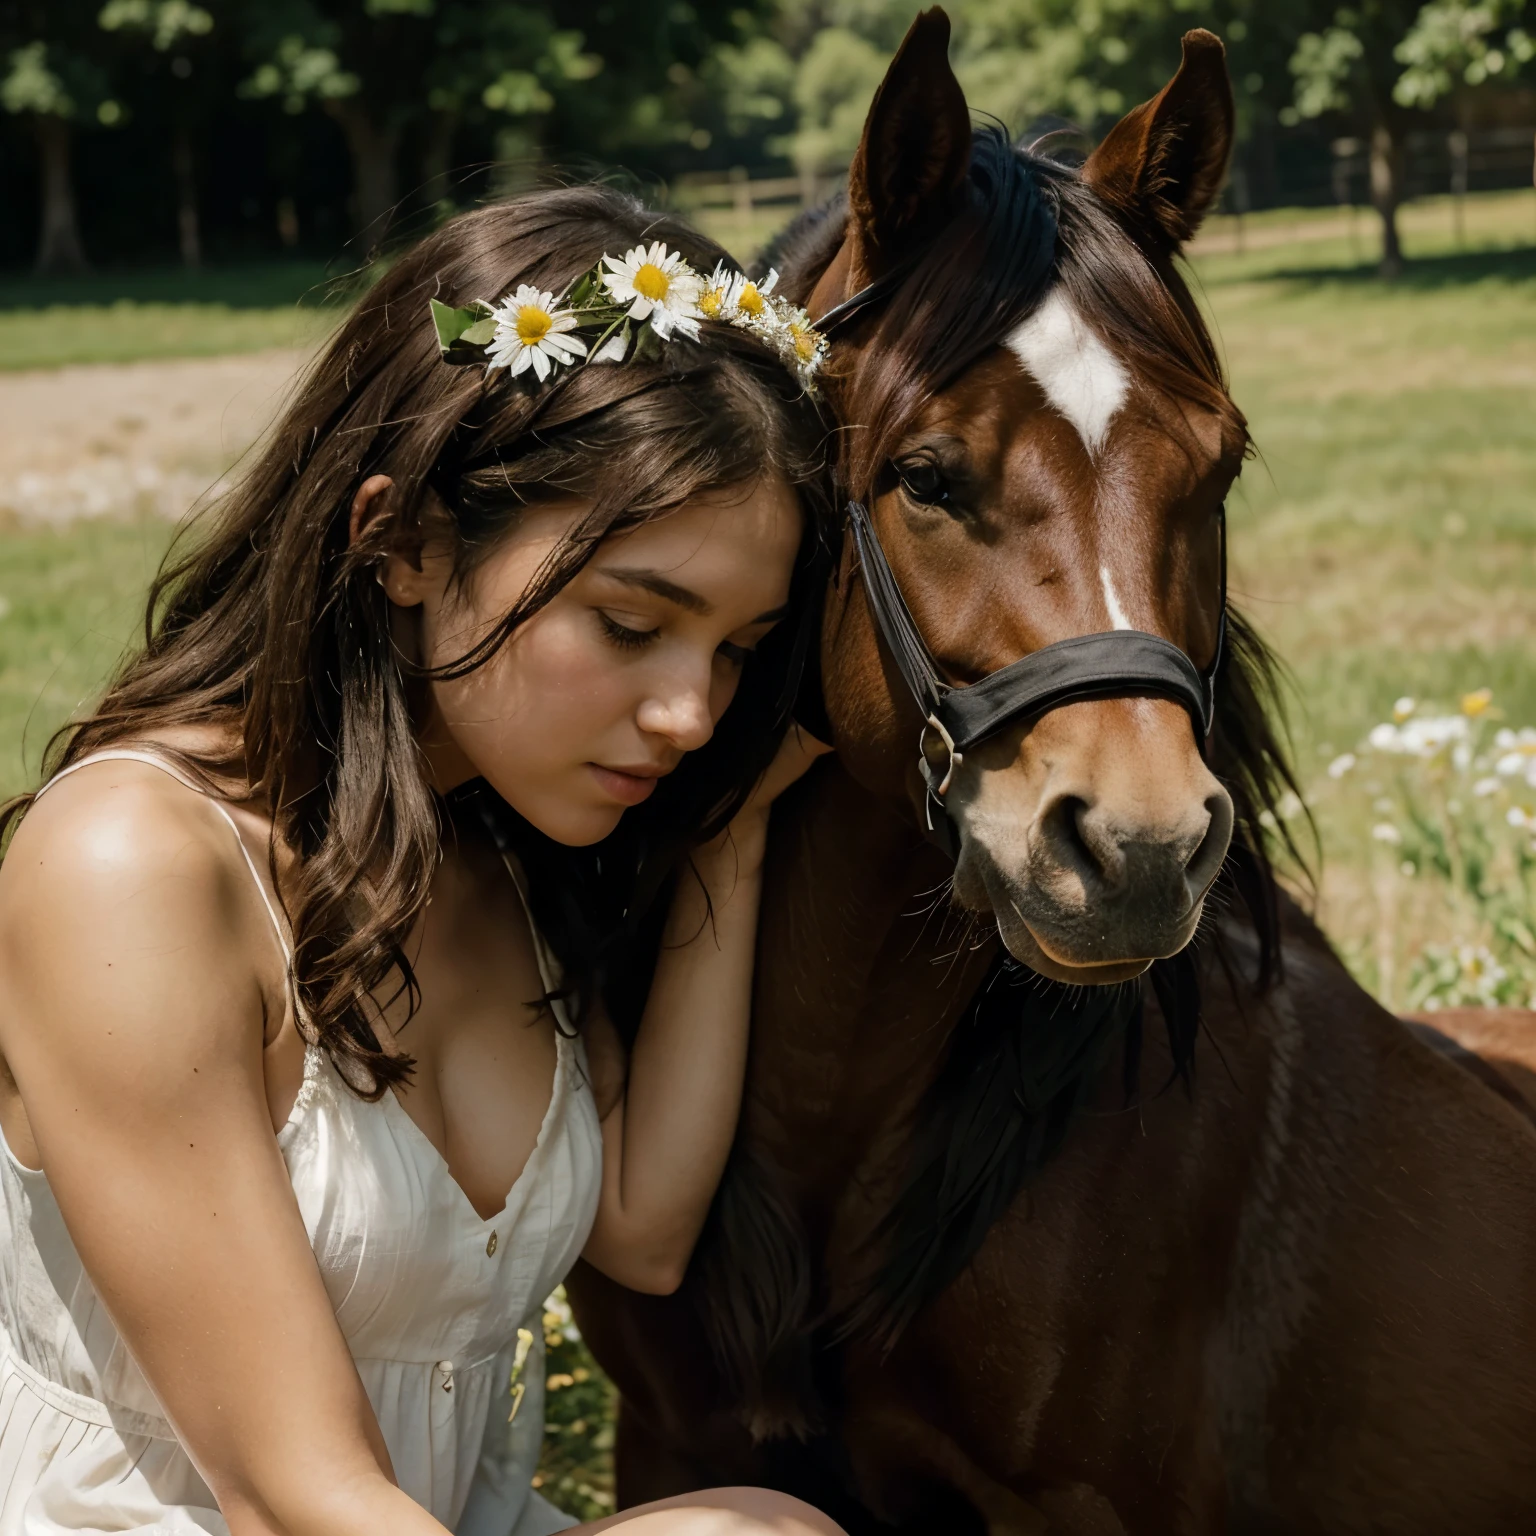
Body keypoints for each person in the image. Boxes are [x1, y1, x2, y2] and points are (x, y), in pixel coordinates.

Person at [0, 188, 845, 1536]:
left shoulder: (505, 846)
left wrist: (728, 838)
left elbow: (638, 1225)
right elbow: (291, 1494)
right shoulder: (134, 867)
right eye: (633, 624)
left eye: (737, 649)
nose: (695, 713)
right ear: (397, 540)